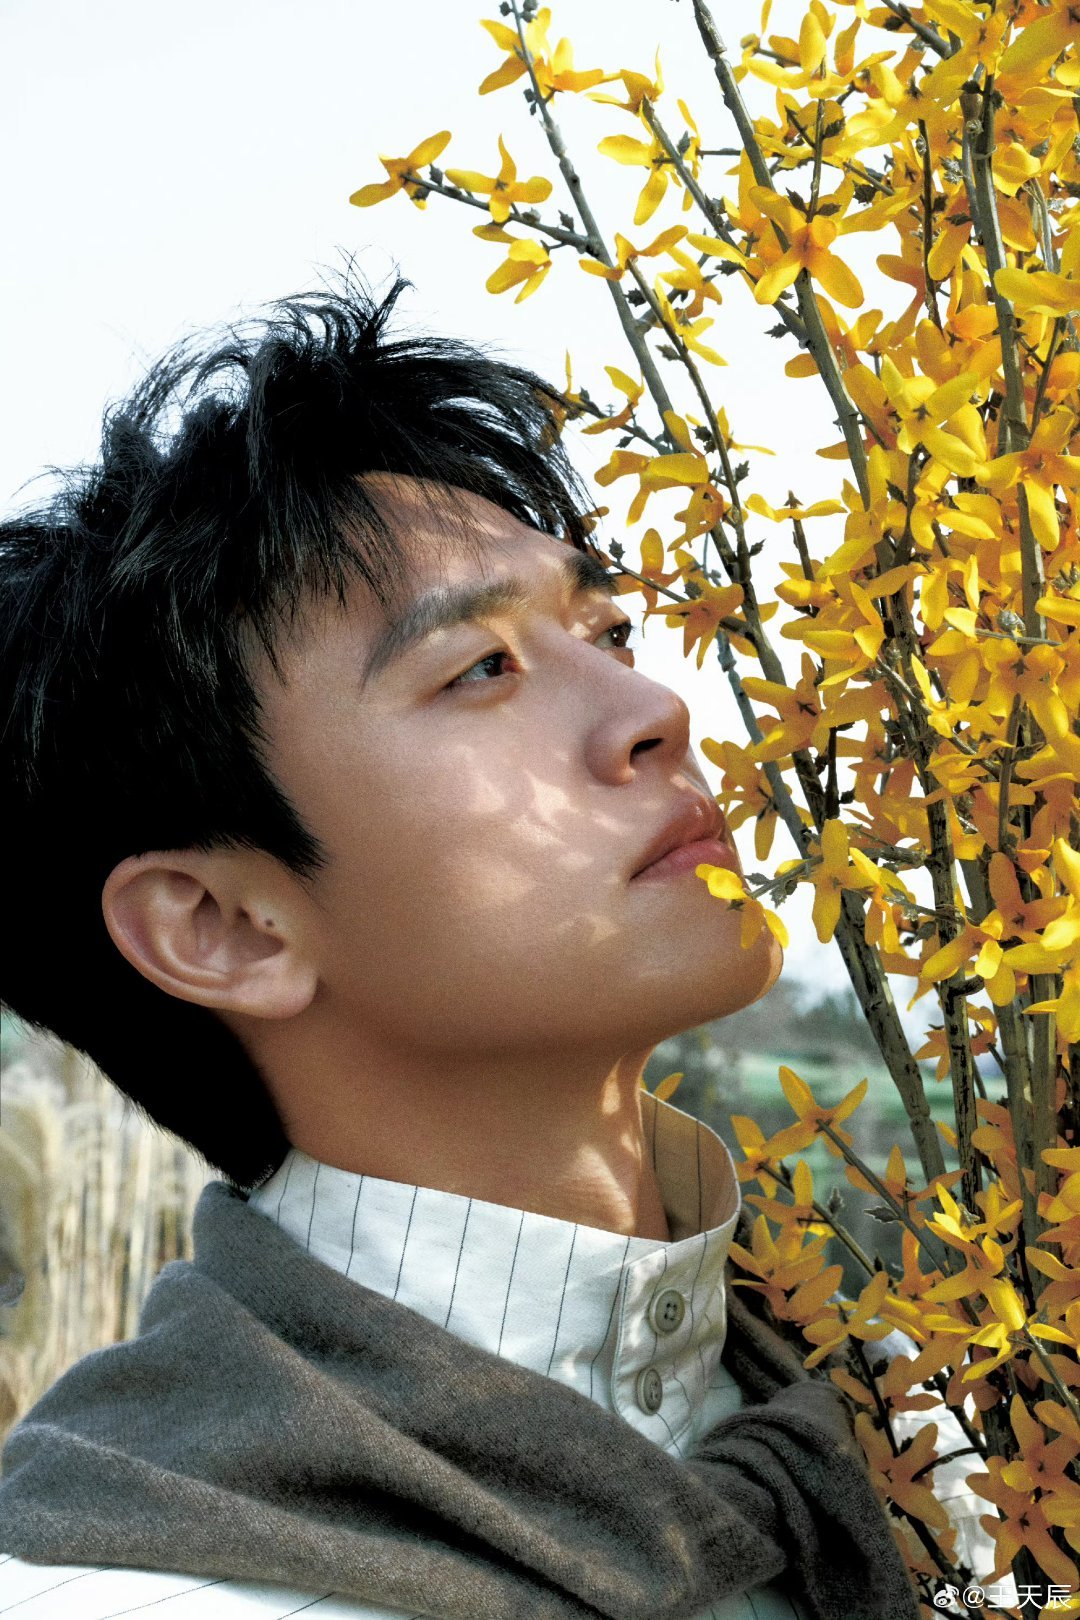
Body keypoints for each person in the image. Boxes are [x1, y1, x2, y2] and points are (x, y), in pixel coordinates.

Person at [0, 276, 925, 1620]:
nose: (654, 708)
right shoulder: (126, 1589)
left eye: (607, 629)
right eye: (480, 668)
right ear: (224, 927)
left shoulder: (920, 1432)